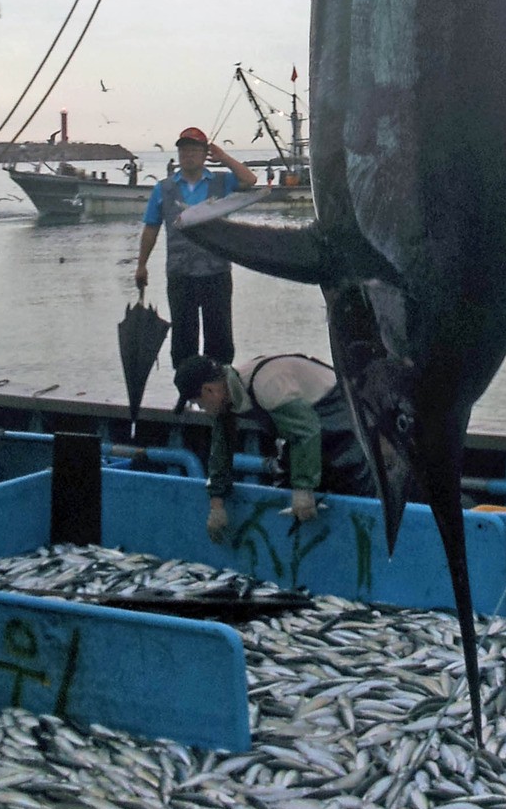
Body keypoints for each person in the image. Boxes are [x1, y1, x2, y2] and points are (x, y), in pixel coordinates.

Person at [173, 352, 374, 541]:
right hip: (306, 426)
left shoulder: (266, 385)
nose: (201, 409)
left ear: (209, 390)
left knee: (348, 476)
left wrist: (303, 489)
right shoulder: (228, 395)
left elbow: (307, 431)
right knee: (285, 483)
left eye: (198, 402)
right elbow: (220, 452)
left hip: (343, 413)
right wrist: (216, 506)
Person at [135, 127, 257, 367]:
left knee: (220, 337)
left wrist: (224, 158)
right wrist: (141, 265)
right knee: (183, 337)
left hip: (217, 272)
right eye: (183, 150)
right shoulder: (164, 188)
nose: (188, 155)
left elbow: (250, 180)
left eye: (194, 150)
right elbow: (151, 227)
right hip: (181, 274)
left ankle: (220, 390)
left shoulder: (222, 182)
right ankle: (188, 393)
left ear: (204, 154)